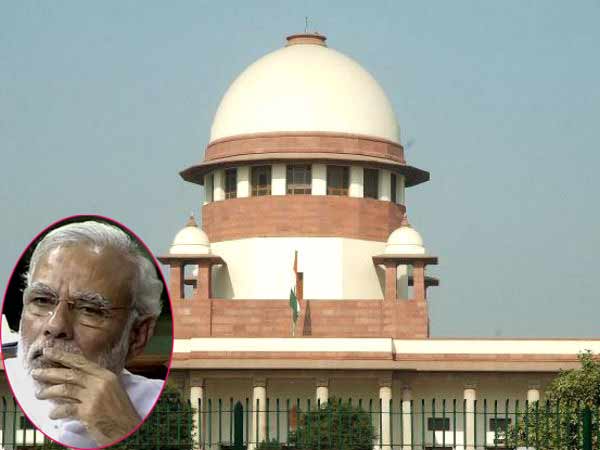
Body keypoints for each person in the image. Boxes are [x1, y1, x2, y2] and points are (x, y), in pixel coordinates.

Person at [3, 220, 165, 448]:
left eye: (89, 309)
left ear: (137, 335)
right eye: (41, 300)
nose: (56, 325)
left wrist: (121, 430)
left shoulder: (158, 403)